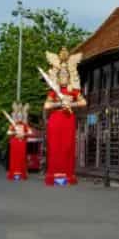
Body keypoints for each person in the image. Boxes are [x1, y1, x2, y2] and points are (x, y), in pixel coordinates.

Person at [42, 49, 87, 186]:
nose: (63, 77)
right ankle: (54, 173)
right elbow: (46, 106)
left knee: (68, 146)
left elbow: (83, 102)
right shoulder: (53, 92)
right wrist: (59, 103)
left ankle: (68, 173)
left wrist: (71, 104)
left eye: (65, 74)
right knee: (54, 146)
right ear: (57, 76)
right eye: (60, 74)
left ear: (69, 76)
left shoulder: (74, 91)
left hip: (68, 119)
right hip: (56, 119)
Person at [6, 103, 31, 181]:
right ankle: (14, 173)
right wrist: (15, 132)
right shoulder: (13, 125)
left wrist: (24, 133)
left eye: (21, 116)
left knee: (22, 158)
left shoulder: (25, 125)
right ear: (16, 116)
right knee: (14, 158)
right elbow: (8, 132)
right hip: (15, 143)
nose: (20, 117)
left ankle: (22, 173)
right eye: (18, 116)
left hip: (22, 143)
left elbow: (30, 132)